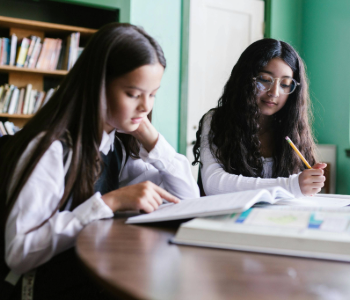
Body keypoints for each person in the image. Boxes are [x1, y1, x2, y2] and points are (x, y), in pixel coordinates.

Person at [0, 23, 199, 299]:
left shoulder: (115, 144)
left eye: (152, 94)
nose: (146, 107)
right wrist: (110, 203)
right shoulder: (52, 149)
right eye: (133, 94)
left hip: (91, 275)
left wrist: (151, 138)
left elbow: (187, 198)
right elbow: (19, 253)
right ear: (98, 85)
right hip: (41, 288)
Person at [193, 38, 326, 197]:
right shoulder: (217, 120)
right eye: (264, 79)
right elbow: (214, 184)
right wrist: (291, 185)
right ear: (245, 79)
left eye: (284, 84)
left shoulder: (292, 128)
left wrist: (309, 183)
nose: (274, 92)